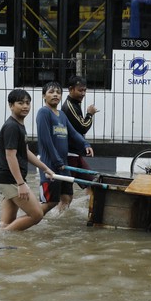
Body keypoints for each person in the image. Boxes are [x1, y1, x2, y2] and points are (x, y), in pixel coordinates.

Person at [0, 89, 55, 231]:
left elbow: (25, 152)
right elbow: (10, 156)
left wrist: (45, 168)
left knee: (7, 222)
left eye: (27, 103)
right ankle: (0, 235)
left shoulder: (19, 125)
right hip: (11, 180)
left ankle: (0, 243)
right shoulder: (12, 127)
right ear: (11, 105)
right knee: (36, 215)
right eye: (20, 103)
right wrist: (21, 184)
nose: (25, 106)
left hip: (10, 179)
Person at [36, 81, 94, 214]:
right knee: (49, 202)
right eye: (51, 92)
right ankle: (32, 220)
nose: (55, 95)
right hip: (50, 166)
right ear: (44, 96)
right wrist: (56, 161)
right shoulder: (43, 113)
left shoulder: (61, 115)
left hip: (63, 165)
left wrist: (85, 144)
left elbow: (73, 133)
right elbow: (46, 141)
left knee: (67, 197)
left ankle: (55, 223)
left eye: (58, 92)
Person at [61, 75, 99, 208]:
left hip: (76, 154)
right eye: (80, 90)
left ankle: (88, 211)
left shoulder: (75, 104)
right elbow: (83, 126)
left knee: (92, 184)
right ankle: (55, 218)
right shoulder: (69, 106)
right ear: (71, 89)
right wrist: (90, 114)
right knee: (66, 197)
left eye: (84, 90)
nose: (83, 93)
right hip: (70, 154)